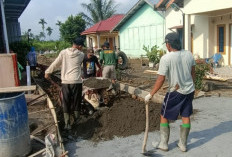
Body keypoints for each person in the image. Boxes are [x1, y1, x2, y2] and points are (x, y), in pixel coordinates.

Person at [145, 32, 196, 152]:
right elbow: (193, 72)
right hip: (189, 90)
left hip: (175, 92)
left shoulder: (166, 58)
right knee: (185, 115)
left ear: (168, 45)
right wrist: (191, 85)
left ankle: (164, 144)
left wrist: (150, 94)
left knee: (164, 115)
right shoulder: (189, 54)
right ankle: (183, 145)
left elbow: (161, 79)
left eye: (166, 44)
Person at [44, 37, 85, 130]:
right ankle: (76, 120)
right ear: (79, 46)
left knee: (66, 102)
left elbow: (56, 63)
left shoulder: (63, 52)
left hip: (66, 82)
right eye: (82, 46)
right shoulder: (81, 55)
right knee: (76, 101)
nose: (82, 48)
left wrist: (48, 72)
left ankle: (67, 124)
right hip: (76, 81)